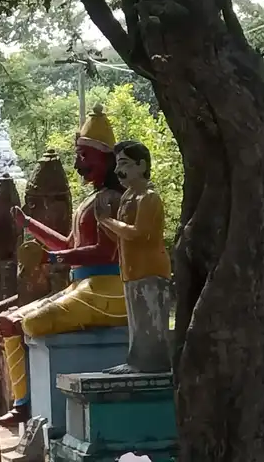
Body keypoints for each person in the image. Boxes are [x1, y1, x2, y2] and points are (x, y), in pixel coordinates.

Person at [0, 104, 127, 427]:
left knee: (29, 324)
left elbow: (104, 253)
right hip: (82, 286)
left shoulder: (113, 200)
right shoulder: (91, 201)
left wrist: (51, 258)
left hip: (108, 290)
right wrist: (29, 224)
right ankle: (23, 403)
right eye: (78, 156)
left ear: (106, 158)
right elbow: (70, 245)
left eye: (84, 156)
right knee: (7, 320)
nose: (79, 164)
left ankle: (38, 409)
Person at [95, 140, 173, 374]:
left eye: (126, 164)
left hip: (150, 269)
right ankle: (136, 361)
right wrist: (104, 221)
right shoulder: (128, 197)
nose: (120, 171)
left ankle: (151, 362)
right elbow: (121, 237)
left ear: (142, 165)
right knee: (137, 322)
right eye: (118, 164)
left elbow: (139, 234)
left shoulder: (149, 197)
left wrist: (108, 221)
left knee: (150, 320)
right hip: (131, 270)